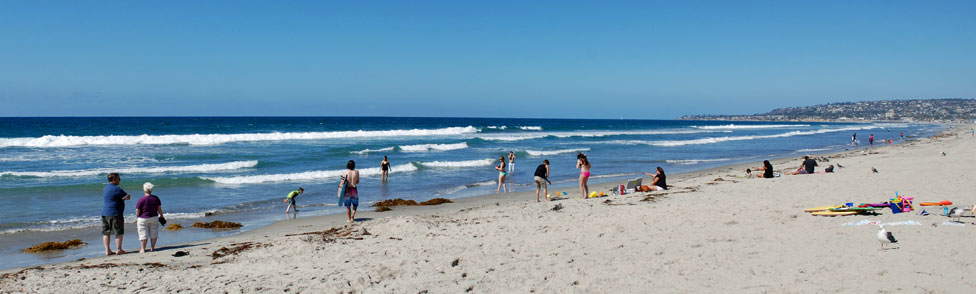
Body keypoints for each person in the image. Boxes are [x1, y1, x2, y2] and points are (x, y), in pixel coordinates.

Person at [101, 173, 131, 256]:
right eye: (118, 179)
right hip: (115, 213)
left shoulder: (105, 188)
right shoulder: (117, 189)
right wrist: (128, 196)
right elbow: (127, 197)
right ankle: (119, 249)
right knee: (119, 231)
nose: (119, 180)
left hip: (105, 212)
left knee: (106, 232)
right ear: (114, 180)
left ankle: (107, 250)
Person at [135, 182, 163, 253]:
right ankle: (152, 247)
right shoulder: (156, 198)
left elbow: (137, 210)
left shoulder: (141, 199)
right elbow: (159, 208)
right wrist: (162, 215)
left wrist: (137, 217)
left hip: (143, 218)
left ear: (144, 190)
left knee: (143, 233)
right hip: (154, 217)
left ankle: (143, 248)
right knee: (154, 232)